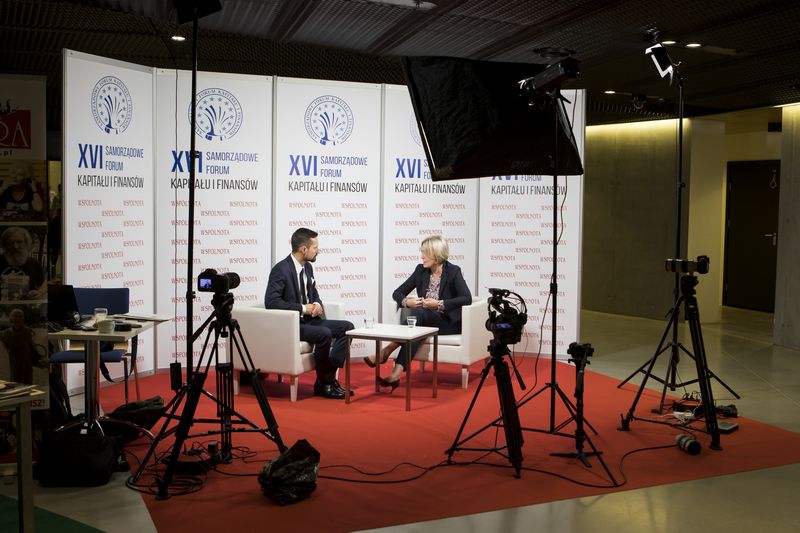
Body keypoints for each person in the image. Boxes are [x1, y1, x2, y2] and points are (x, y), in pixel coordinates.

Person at [368, 235, 472, 390]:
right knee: (416, 327)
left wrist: (439, 304)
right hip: (424, 321)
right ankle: (395, 375)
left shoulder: (453, 271)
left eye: (425, 253)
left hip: (448, 322)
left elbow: (466, 298)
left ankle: (387, 350)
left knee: (418, 315)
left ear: (436, 254)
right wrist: (407, 302)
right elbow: (397, 293)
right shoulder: (421, 270)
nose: (422, 256)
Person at [265, 227, 354, 399]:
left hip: (309, 321)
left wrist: (317, 303)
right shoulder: (281, 269)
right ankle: (323, 384)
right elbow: (272, 302)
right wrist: (304, 308)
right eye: (315, 247)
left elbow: (314, 292)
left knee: (347, 327)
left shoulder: (308, 268)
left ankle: (328, 377)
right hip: (292, 324)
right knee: (324, 333)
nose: (318, 251)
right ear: (304, 249)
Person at [0, 308, 46, 384]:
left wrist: (37, 357)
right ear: (11, 318)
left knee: (27, 381)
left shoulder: (27, 331)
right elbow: (6, 345)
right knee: (16, 381)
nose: (18, 319)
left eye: (20, 316)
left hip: (26, 361)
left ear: (23, 319)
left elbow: (32, 345)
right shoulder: (7, 333)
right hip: (15, 361)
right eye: (15, 316)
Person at [0, 226, 46, 300]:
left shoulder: (34, 263)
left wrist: (40, 292)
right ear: (5, 245)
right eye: (11, 243)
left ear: (26, 243)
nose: (15, 246)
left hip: (28, 306)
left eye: (19, 242)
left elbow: (43, 283)